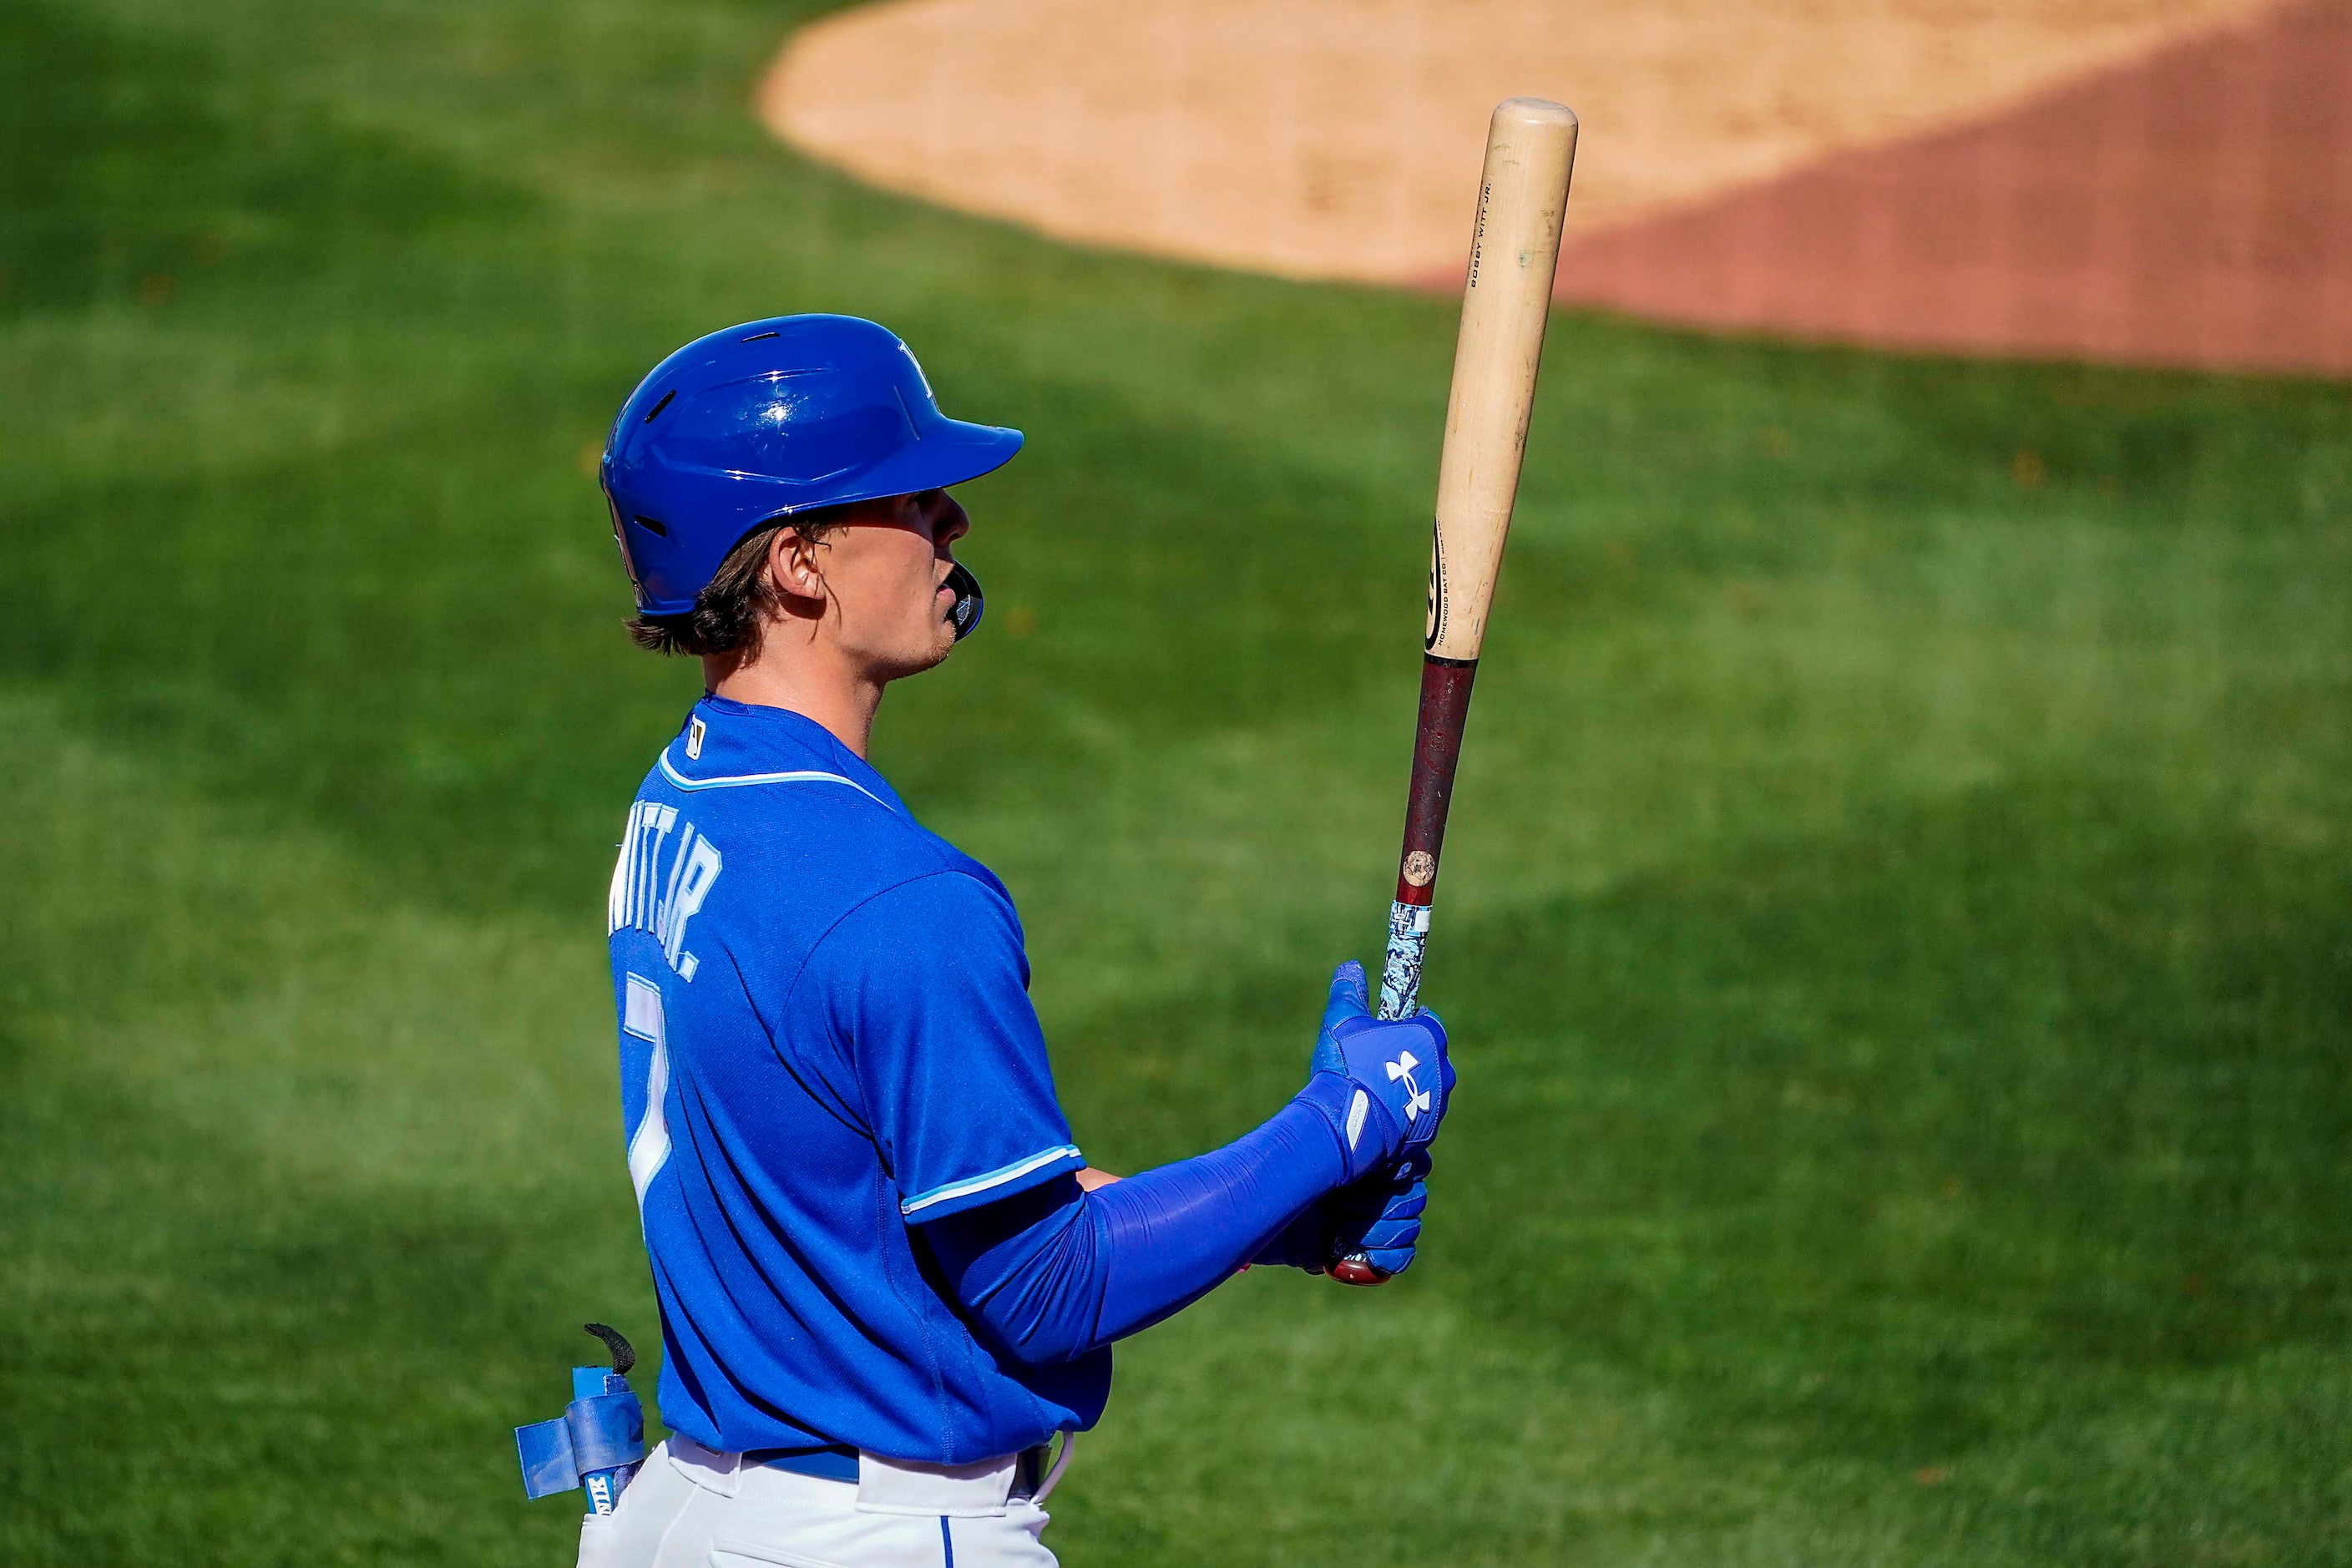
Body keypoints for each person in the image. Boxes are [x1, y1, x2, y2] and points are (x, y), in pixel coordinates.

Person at [585, 315, 1454, 1568]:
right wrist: (1337, 1126)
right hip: (873, 1535)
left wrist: (1287, 1211)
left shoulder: (679, 799)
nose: (954, 525)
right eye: (909, 497)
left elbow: (890, 1194)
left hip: (693, 1514)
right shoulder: (899, 902)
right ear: (796, 565)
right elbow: (1042, 1285)